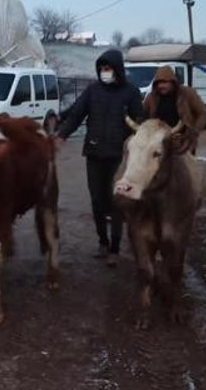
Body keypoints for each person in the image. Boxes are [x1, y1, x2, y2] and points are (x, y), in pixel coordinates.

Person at [55, 49, 146, 265]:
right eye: (101, 69)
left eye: (108, 68)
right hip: (94, 153)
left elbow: (139, 121)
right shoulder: (93, 91)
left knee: (116, 201)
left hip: (118, 156)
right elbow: (76, 114)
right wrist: (61, 135)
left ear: (117, 69)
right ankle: (102, 242)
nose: (105, 72)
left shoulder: (131, 92)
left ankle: (115, 248)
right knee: (97, 200)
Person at [142, 65, 206, 154]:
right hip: (158, 142)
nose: (161, 86)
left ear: (173, 82)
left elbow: (203, 113)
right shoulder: (152, 97)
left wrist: (194, 131)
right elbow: (143, 116)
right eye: (158, 83)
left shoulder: (187, 93)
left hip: (183, 141)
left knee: (184, 167)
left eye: (165, 82)